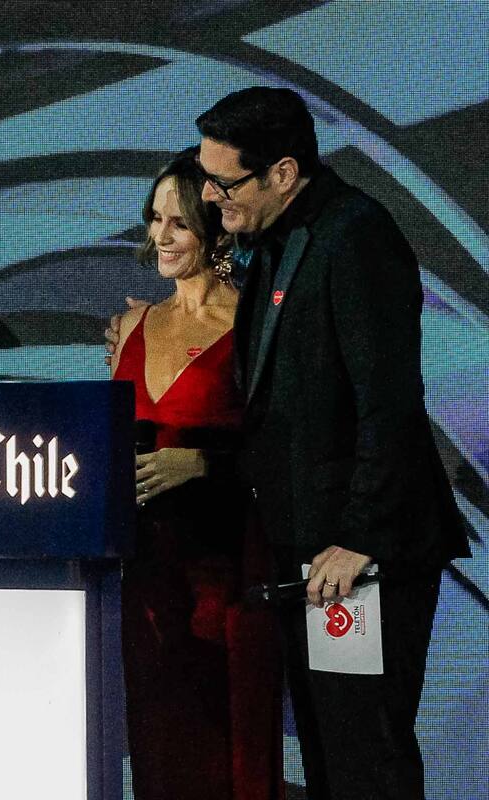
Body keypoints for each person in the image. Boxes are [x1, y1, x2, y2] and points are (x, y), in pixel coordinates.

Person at [187, 87, 466, 799]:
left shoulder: (355, 236)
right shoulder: (279, 240)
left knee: (363, 755)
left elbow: (388, 402)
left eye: (224, 182)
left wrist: (358, 539)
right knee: (328, 753)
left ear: (284, 172)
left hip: (358, 558)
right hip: (311, 550)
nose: (210, 197)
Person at [112, 150, 281, 800]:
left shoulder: (254, 326)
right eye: (155, 219)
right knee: (159, 747)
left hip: (229, 574)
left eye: (178, 223)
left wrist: (203, 462)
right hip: (149, 584)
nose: (160, 235)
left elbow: (286, 448)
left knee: (230, 750)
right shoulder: (132, 325)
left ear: (214, 231)